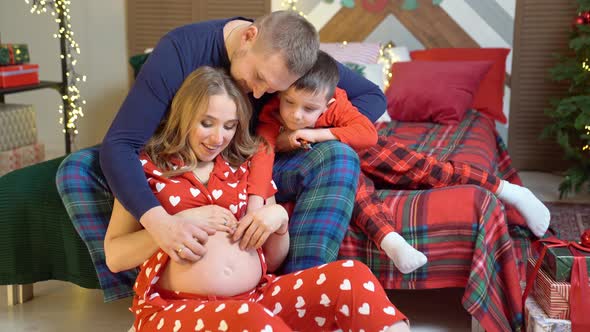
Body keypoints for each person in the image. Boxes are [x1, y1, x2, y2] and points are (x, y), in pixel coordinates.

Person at [104, 66, 410, 331]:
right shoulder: (144, 168)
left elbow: (272, 259)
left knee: (352, 276)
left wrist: (278, 221)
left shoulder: (246, 164)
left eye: (229, 125)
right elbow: (116, 257)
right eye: (206, 123)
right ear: (183, 116)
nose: (218, 138)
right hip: (174, 309)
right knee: (249, 319)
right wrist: (176, 224)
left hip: (257, 298)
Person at [98, 10, 385, 273]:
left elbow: (371, 97)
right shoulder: (180, 50)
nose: (259, 95)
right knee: (78, 168)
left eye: (274, 90)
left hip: (260, 163)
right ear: (249, 36)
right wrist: (160, 224)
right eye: (258, 77)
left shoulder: (294, 57)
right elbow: (120, 144)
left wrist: (302, 132)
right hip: (185, 164)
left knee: (338, 156)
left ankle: (303, 281)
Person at [248, 51, 551, 274]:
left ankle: (505, 189)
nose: (296, 115)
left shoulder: (337, 103)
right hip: (309, 162)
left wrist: (317, 134)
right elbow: (262, 157)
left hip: (339, 144)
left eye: (308, 108)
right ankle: (390, 240)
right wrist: (257, 202)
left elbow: (366, 134)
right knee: (348, 169)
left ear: (327, 103)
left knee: (411, 163)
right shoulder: (272, 113)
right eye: (290, 103)